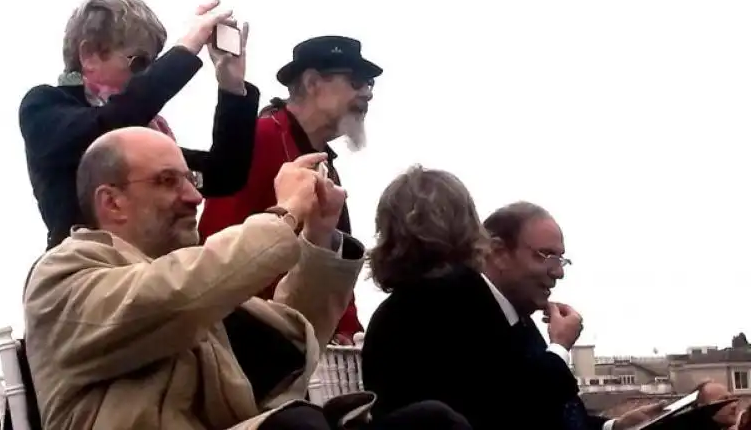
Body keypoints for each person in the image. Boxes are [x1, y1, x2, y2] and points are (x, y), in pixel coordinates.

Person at [23, 128, 471, 430]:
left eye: (190, 178)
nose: (193, 195)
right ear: (112, 203)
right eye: (167, 181)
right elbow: (174, 296)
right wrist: (283, 215)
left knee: (431, 422)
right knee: (294, 427)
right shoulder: (63, 276)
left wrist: (316, 228)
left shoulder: (196, 284)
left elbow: (291, 339)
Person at [360, 178, 665, 430]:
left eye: (561, 259)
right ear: (494, 249)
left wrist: (612, 427)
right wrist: (558, 349)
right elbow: (508, 410)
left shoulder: (511, 318)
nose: (558, 272)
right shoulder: (442, 309)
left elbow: (549, 417)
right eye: (546, 256)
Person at [19, 0, 259, 251]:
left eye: (154, 63)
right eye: (140, 62)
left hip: (153, 273)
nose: (149, 74)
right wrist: (186, 48)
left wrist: (231, 86)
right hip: (91, 273)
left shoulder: (143, 129)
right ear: (89, 55)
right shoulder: (45, 106)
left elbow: (224, 174)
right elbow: (111, 125)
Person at [198, 35, 381, 344]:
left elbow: (332, 257)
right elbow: (215, 239)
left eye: (369, 84)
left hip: (297, 341)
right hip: (250, 343)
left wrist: (347, 327)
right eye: (356, 80)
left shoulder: (323, 164)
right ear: (311, 82)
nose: (367, 92)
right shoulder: (263, 137)